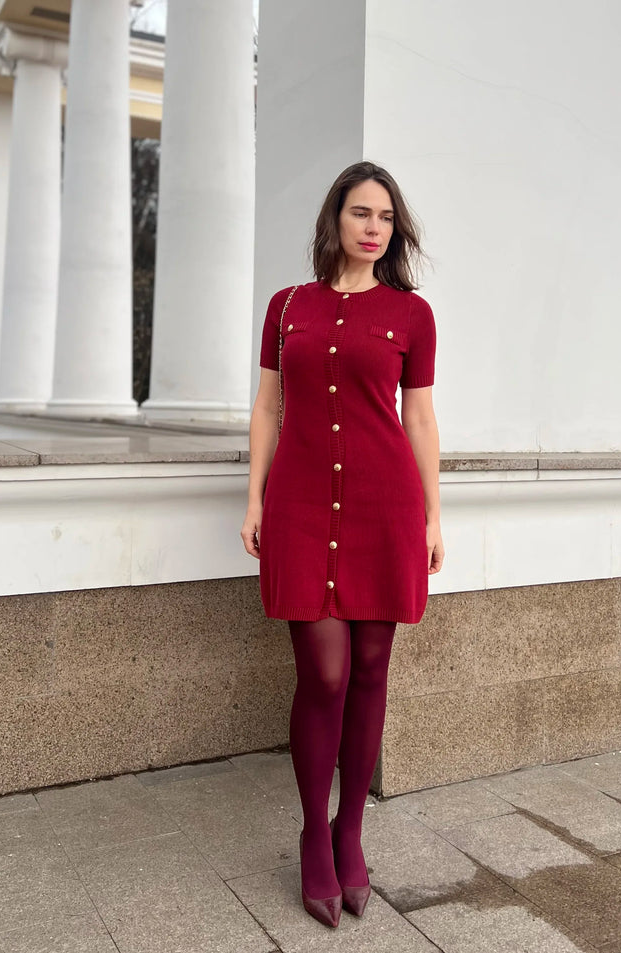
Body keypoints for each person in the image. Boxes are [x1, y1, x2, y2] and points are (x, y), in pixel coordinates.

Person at [241, 160, 444, 929]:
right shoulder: (286, 306)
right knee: (322, 672)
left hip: (383, 504)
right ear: (334, 219)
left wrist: (431, 515)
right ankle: (310, 832)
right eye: (360, 212)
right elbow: (268, 406)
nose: (372, 227)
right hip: (298, 504)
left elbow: (419, 419)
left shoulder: (411, 315)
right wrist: (253, 494)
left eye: (385, 217)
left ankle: (348, 832)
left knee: (369, 666)